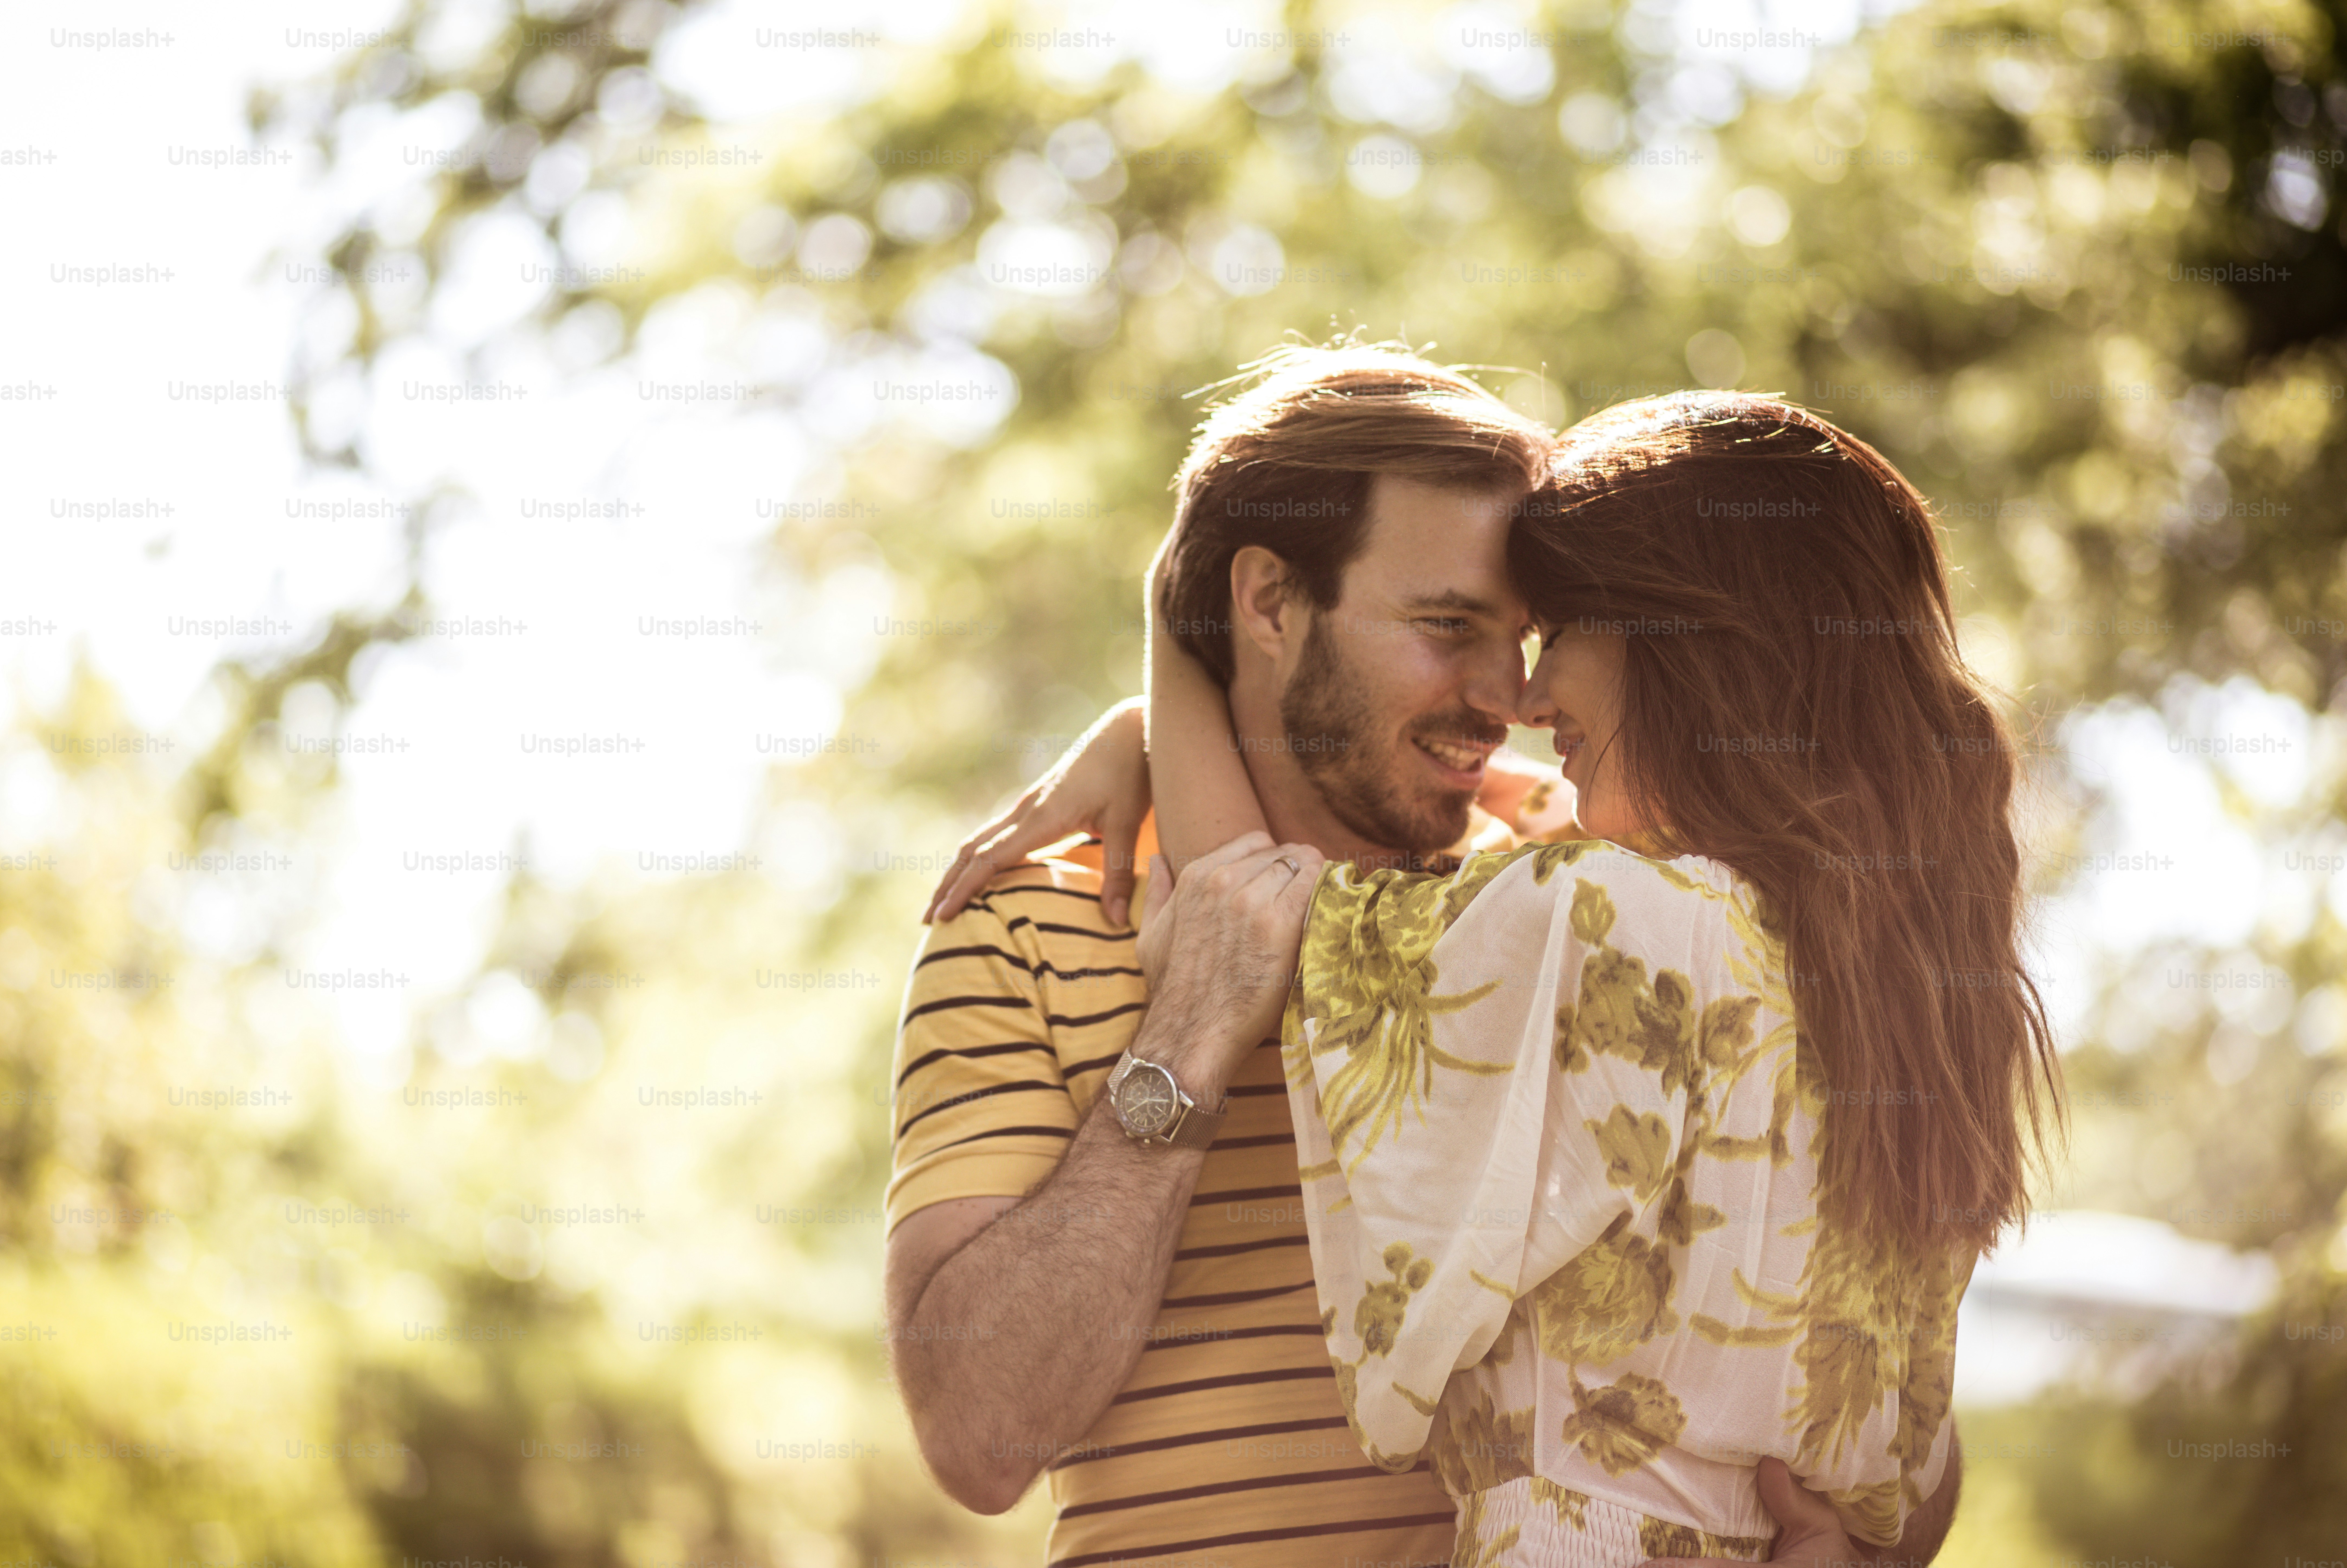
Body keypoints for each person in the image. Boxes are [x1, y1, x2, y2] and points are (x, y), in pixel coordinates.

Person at [953, 390, 2058, 1565]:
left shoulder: (1601, 919)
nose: (1527, 699)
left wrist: (1167, 663)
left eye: (1564, 630)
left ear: (1688, 645)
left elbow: (1248, 903)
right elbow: (1900, 1470)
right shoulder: (1896, 984)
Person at [882, 344, 1556, 1568]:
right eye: (1447, 626)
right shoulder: (1026, 927)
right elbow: (978, 1438)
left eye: (1521, 638)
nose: (1503, 695)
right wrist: (1183, 1041)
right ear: (1267, 601)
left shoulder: (1561, 916)